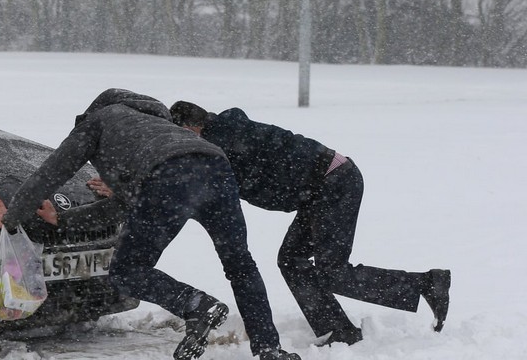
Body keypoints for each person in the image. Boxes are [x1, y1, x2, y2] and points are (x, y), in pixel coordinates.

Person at [0, 89, 304, 360]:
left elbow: (49, 174)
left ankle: (195, 305)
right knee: (240, 264)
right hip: (218, 171)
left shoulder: (100, 121)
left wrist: (11, 218)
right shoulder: (157, 127)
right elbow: (129, 204)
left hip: (170, 178)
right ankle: (269, 350)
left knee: (127, 270)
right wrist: (63, 221)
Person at [166, 101, 451, 345]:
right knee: (291, 259)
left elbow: (219, 188)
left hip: (334, 182)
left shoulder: (225, 143)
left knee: (333, 271)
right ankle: (338, 330)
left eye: (181, 136)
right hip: (321, 189)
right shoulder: (224, 137)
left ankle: (426, 284)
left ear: (191, 128)